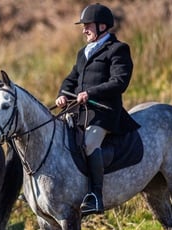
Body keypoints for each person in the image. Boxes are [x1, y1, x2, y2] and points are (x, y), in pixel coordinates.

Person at [55, 3, 140, 216]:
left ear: (103, 26)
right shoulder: (83, 52)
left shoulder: (118, 49)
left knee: (89, 142)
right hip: (79, 111)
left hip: (104, 112)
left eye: (88, 26)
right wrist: (63, 93)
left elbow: (119, 81)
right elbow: (71, 78)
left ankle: (95, 196)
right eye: (83, 26)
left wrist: (90, 93)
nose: (84, 30)